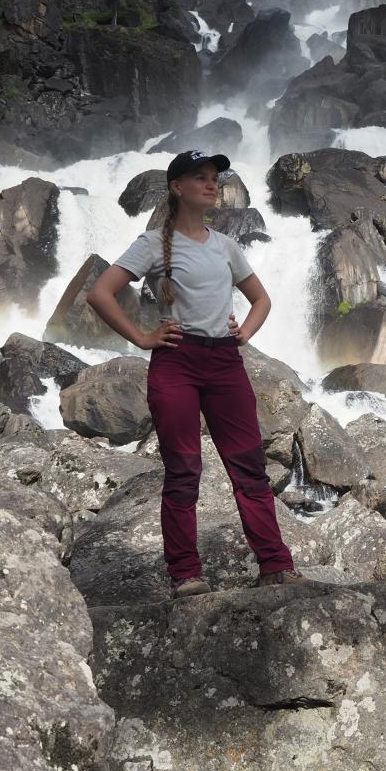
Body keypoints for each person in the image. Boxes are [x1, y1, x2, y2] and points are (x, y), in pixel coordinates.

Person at [86, 149, 304, 598]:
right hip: (177, 362)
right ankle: (186, 575)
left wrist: (244, 332)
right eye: (200, 177)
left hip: (225, 362)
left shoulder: (226, 246)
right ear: (176, 187)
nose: (211, 184)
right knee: (184, 470)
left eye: (214, 178)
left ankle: (276, 566)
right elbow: (100, 293)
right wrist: (142, 337)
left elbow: (261, 299)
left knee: (249, 469)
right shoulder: (151, 244)